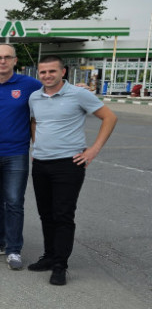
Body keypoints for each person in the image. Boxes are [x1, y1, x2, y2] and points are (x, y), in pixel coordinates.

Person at [28, 55, 117, 286]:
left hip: (68, 165)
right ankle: (48, 257)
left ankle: (60, 265)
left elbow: (109, 117)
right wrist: (37, 145)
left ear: (63, 72)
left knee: (63, 215)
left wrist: (93, 150)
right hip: (40, 163)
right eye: (43, 72)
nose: (47, 76)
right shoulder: (34, 97)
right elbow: (35, 122)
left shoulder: (79, 94)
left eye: (52, 71)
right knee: (45, 214)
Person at [0, 44, 42, 270]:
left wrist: (76, 87)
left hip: (16, 154)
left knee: (13, 202)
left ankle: (14, 249)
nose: (2, 61)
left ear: (15, 60)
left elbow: (53, 91)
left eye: (7, 57)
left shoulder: (29, 84)